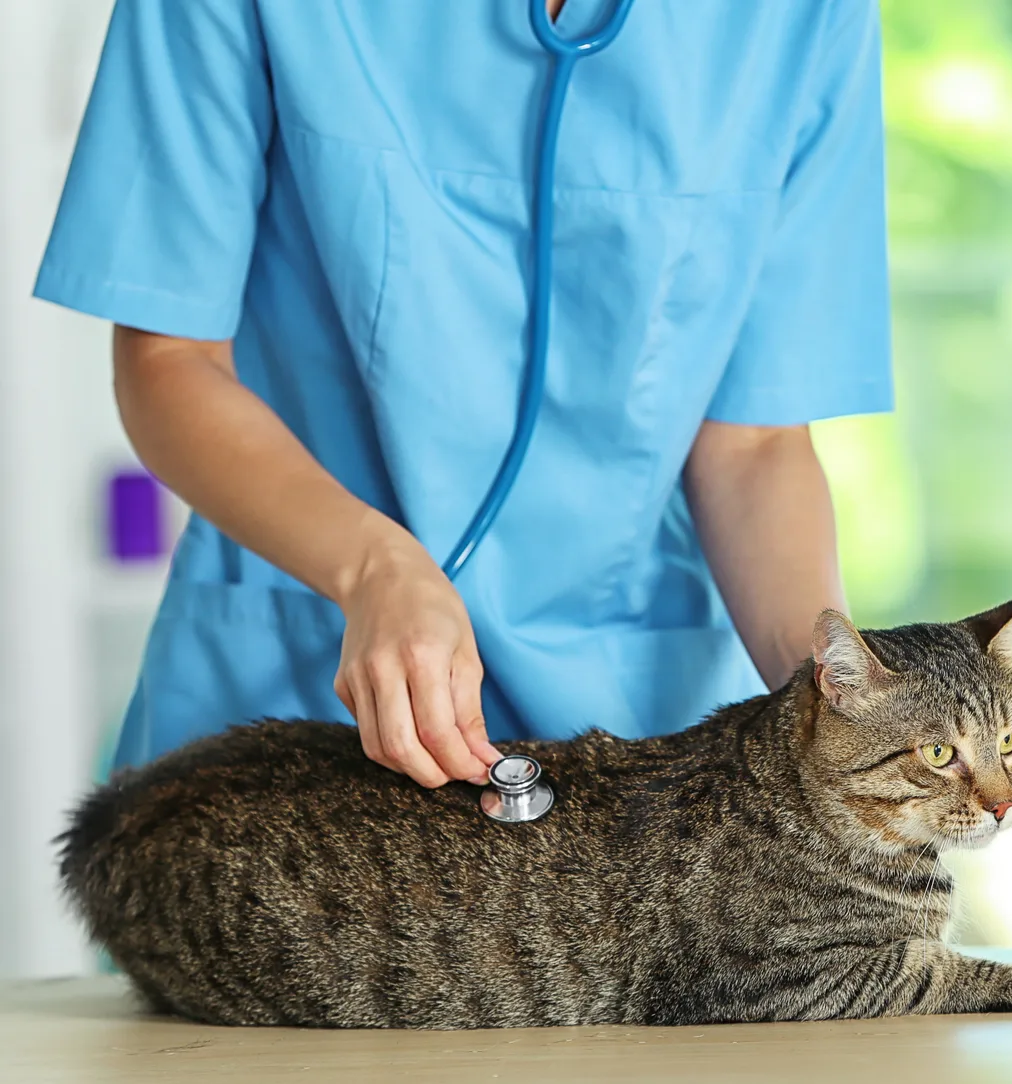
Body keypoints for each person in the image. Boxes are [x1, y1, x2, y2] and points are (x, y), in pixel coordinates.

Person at [34, 0, 893, 788]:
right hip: (297, 679)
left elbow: (754, 442)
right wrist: (373, 567)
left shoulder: (802, 17)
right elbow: (169, 359)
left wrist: (847, 704)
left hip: (640, 715)